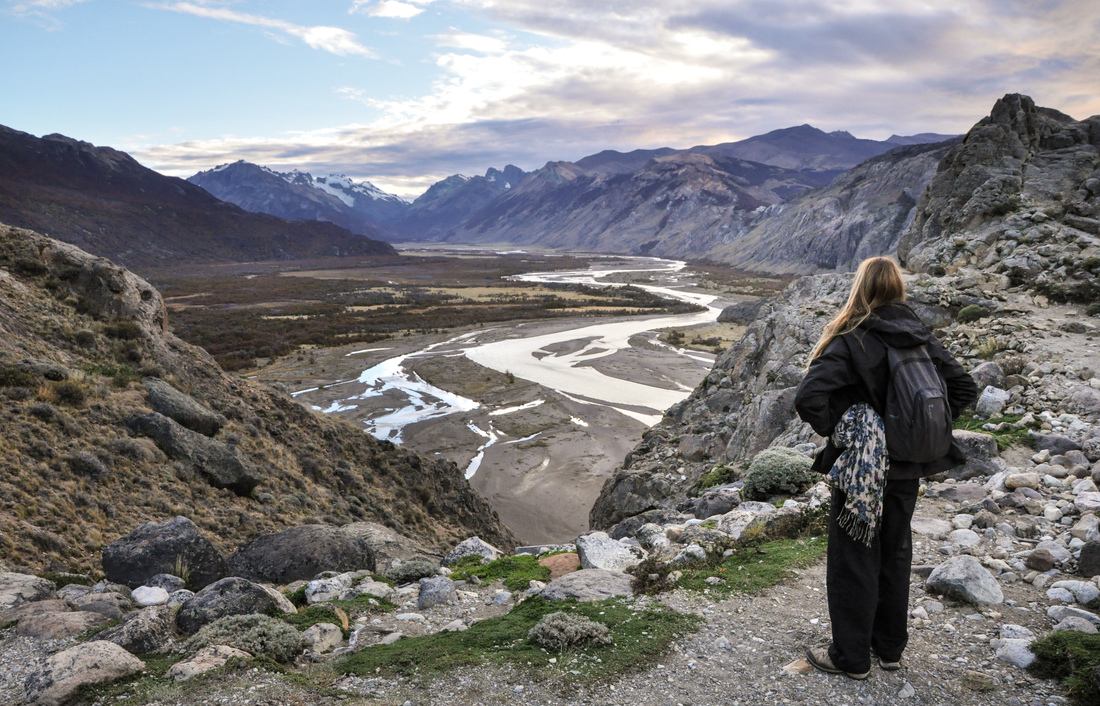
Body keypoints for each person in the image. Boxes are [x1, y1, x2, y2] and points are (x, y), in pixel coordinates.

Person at [794, 256, 977, 679]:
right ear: (897, 288)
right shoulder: (918, 336)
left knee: (854, 556)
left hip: (863, 468)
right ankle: (889, 649)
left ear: (860, 289)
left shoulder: (853, 336)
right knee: (895, 553)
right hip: (907, 467)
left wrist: (847, 433)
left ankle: (851, 657)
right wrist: (918, 430)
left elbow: (808, 397)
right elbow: (964, 387)